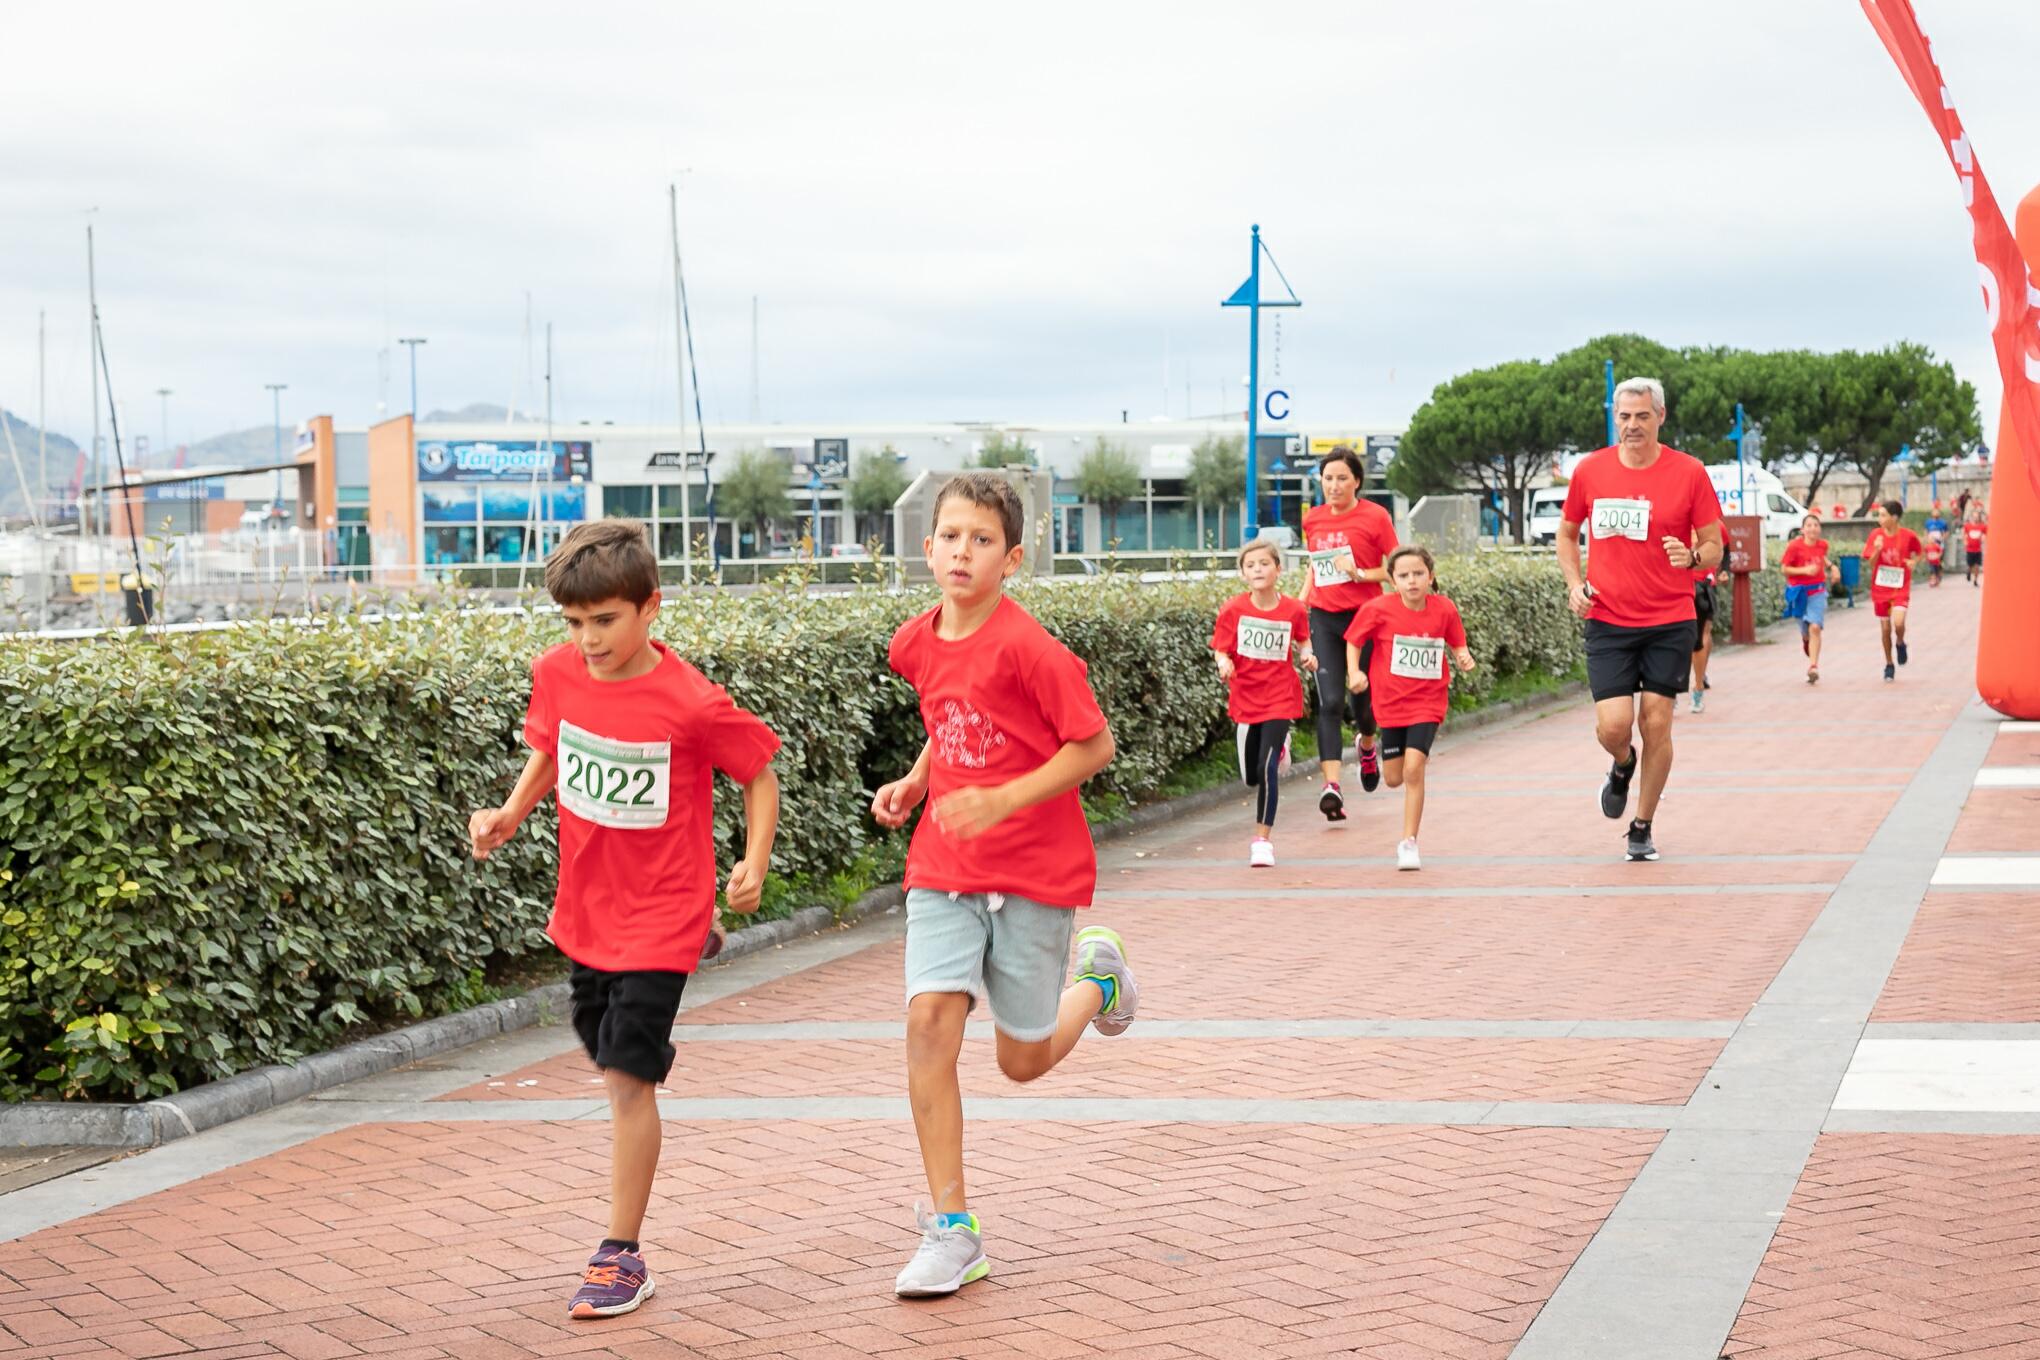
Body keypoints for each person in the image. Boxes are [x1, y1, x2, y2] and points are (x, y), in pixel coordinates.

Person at [468, 519, 782, 1320]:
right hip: (586, 911)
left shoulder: (691, 701)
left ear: (650, 609)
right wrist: (510, 812)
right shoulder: (560, 673)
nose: (589, 639)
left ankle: (620, 1255)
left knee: (627, 1078)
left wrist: (754, 863)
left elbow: (758, 772)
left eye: (605, 620)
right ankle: (622, 1241)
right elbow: (551, 742)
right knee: (601, 1047)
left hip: (664, 912)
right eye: (574, 624)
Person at [872, 472, 1138, 1298]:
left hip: (1034, 870)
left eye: (981, 540)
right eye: (950, 536)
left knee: (1020, 1061)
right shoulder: (914, 641)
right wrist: (922, 781)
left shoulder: (1033, 650)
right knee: (927, 1023)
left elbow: (1093, 747)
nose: (963, 551)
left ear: (1012, 557)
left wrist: (1005, 798)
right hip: (944, 864)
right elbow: (946, 716)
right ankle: (953, 1229)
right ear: (927, 548)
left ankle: (1099, 984)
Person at [1558, 376, 1725, 863]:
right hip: (1609, 619)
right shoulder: (1590, 471)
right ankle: (1621, 764)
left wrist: (1692, 557)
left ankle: (1641, 824)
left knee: (1657, 721)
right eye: (1624, 417)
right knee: (1614, 726)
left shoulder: (1689, 472)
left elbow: (1714, 545)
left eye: (1642, 416)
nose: (1632, 425)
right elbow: (1567, 536)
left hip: (1669, 619)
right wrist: (1574, 584)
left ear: (1660, 417)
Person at [1341, 545, 1474, 870]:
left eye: (1418, 574)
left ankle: (1409, 842)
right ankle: (1367, 747)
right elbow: (1354, 640)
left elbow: (1457, 641)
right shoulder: (1377, 609)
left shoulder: (1444, 608)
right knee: (1393, 779)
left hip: (1428, 702)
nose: (1412, 581)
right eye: (1404, 575)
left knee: (1415, 769)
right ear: (1392, 579)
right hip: (1390, 702)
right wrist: (1355, 671)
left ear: (1431, 576)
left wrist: (1462, 656)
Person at [1298, 445, 1399, 821]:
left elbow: (1394, 569)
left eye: (1342, 478)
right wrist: (1300, 601)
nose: (1334, 485)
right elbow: (1314, 566)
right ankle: (1332, 787)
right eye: (1328, 479)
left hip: (1365, 616)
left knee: (1364, 705)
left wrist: (1360, 574)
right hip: (1324, 617)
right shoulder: (1313, 520)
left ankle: (1367, 745)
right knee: (1329, 703)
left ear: (1356, 481)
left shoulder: (1376, 517)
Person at [1211, 537, 1316, 867]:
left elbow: (1303, 640)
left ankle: (1262, 840)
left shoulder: (1294, 609)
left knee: (1267, 767)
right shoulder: (1234, 609)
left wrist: (1308, 657)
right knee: (1251, 776)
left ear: (1278, 569)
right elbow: (1220, 648)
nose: (1258, 569)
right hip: (1246, 696)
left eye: (1264, 563)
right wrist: (1223, 663)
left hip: (1281, 696)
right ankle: (1279, 751)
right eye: (1250, 565)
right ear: (1243, 573)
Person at [1863, 499, 1923, 681]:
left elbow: (1919, 552)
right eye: (1879, 515)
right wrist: (1877, 550)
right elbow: (1871, 563)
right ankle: (1889, 664)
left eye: (1883, 515)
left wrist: (1914, 562)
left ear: (1894, 517)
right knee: (1885, 628)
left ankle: (1900, 642)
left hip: (1900, 586)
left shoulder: (1908, 536)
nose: (1880, 519)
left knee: (1898, 622)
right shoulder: (1875, 535)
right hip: (1881, 587)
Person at [1779, 513, 1830, 684]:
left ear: (1820, 529)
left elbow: (1821, 557)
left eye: (1816, 525)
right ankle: (1806, 640)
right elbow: (1784, 569)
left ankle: (1813, 666)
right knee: (1805, 630)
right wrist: (1804, 571)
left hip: (1818, 592)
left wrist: (1832, 567)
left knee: (1815, 627)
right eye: (1809, 525)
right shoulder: (1794, 547)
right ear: (1803, 529)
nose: (1813, 528)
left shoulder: (1823, 545)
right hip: (1799, 593)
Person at [1685, 554, 1725, 714]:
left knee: (1700, 639)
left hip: (1703, 589)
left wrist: (1719, 572)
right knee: (1680, 640)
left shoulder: (1712, 529)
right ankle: (1671, 692)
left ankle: (1698, 686)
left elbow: (1722, 551)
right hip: (1676, 588)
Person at [1962, 508, 1988, 586]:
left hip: (1978, 549)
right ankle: (1969, 572)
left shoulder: (1983, 526)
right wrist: (1965, 542)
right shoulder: (1968, 526)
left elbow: (1985, 536)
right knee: (1970, 565)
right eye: (1974, 516)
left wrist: (1984, 543)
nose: (1975, 518)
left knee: (1977, 566)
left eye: (1977, 516)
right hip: (1970, 549)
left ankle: (1975, 580)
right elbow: (1964, 535)